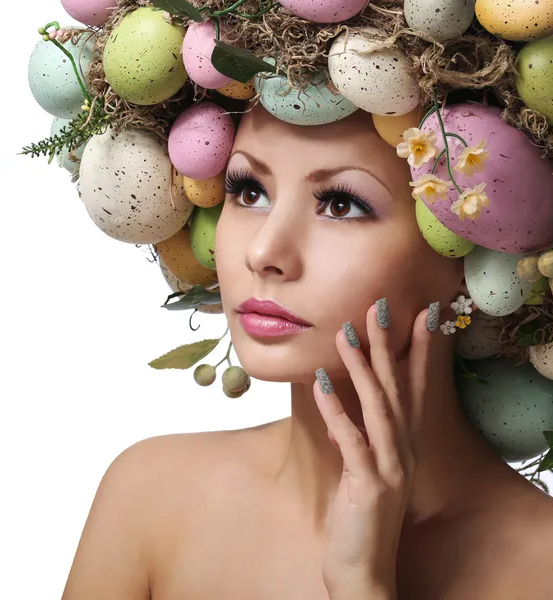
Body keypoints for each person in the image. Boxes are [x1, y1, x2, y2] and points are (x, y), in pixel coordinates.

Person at [60, 103, 553, 600]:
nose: (264, 252)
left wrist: (362, 585)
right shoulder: (151, 496)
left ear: (470, 253)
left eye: (341, 205)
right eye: (249, 191)